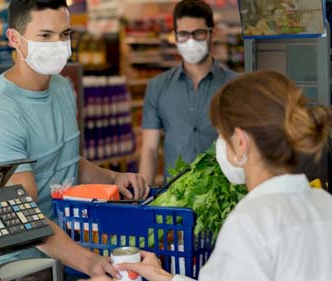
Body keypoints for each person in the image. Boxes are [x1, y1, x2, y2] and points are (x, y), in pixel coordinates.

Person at [0, 0, 149, 278]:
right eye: (45, 35)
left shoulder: (62, 87)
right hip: (22, 263)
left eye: (65, 35)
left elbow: (66, 161)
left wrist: (112, 179)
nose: (58, 44)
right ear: (14, 39)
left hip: (71, 246)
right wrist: (89, 263)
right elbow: (24, 216)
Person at [110, 71, 332, 281]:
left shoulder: (251, 220)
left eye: (220, 135)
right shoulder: (324, 202)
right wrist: (166, 277)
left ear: (241, 142)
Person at [139, 0, 236, 184]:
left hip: (223, 194)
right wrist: (143, 200)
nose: (190, 41)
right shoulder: (157, 86)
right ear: (175, 37)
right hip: (176, 197)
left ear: (211, 34)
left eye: (198, 33)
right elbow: (149, 149)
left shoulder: (235, 86)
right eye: (183, 34)